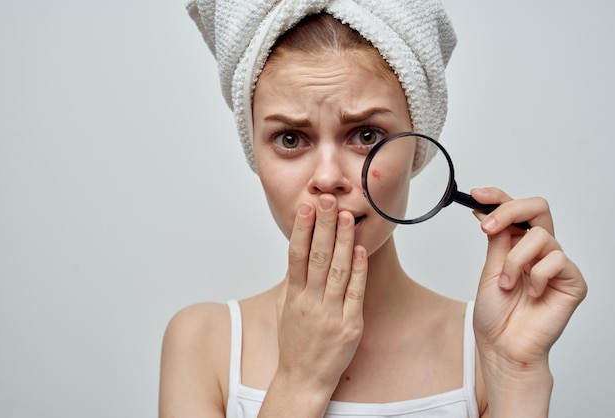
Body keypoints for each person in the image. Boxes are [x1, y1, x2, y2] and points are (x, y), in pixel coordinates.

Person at [159, 1, 587, 417]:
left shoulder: (489, 349)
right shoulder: (202, 343)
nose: (328, 178)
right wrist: (300, 379)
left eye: (365, 135)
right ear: (253, 150)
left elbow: (513, 369)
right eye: (290, 138)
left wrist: (516, 372)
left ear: (416, 146)